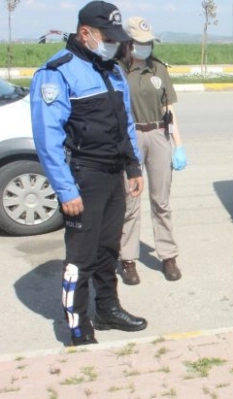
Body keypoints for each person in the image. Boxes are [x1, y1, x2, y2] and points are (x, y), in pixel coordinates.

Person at [30, 0, 147, 346]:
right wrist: (66, 190)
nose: (112, 43)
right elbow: (47, 140)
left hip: (113, 175)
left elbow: (124, 121)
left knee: (108, 249)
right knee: (80, 257)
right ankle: (78, 326)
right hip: (83, 175)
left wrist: (132, 165)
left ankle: (108, 309)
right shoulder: (57, 72)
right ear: (85, 33)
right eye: (106, 37)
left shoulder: (110, 69)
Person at [117, 16, 186, 285]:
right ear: (127, 43)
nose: (145, 47)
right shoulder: (117, 71)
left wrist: (179, 145)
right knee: (130, 202)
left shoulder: (158, 69)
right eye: (139, 42)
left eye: (148, 42)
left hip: (158, 134)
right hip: (130, 136)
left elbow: (169, 111)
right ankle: (128, 259)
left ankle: (167, 255)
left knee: (161, 201)